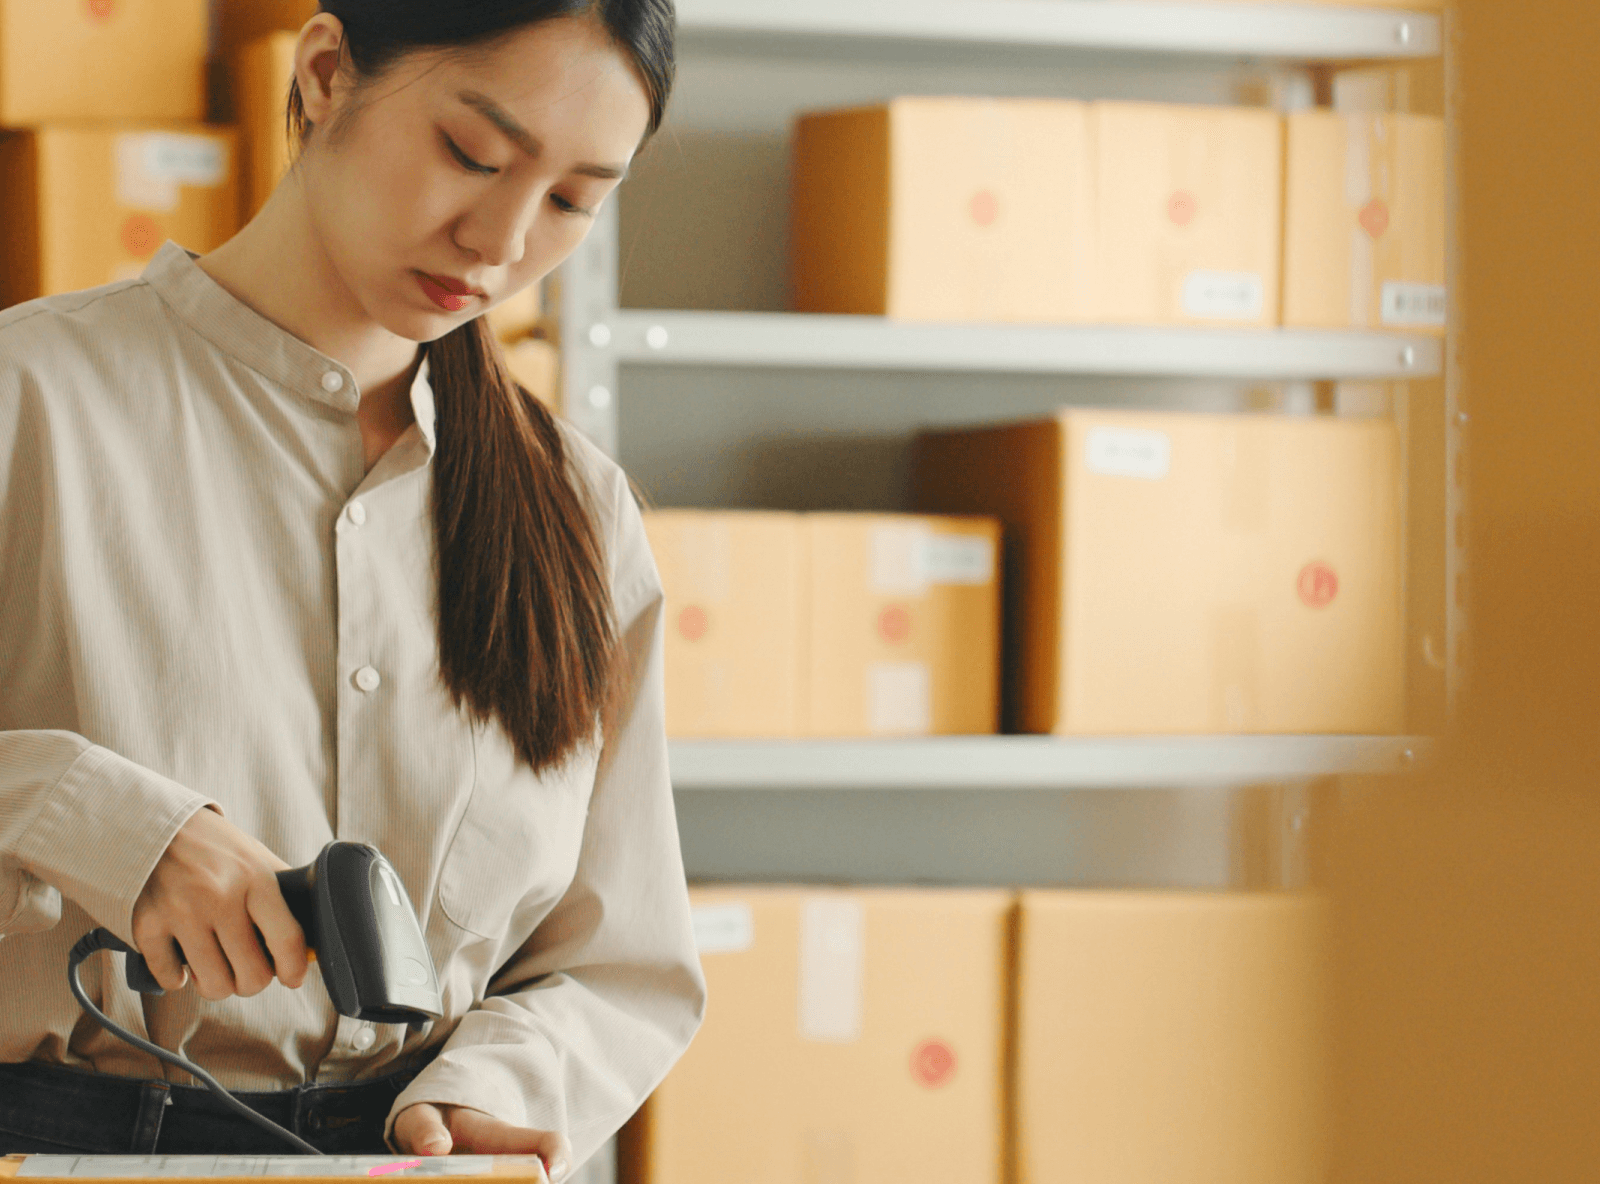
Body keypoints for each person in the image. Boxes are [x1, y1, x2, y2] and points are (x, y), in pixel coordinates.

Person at [0, 0, 702, 1172]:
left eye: (574, 199)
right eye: (472, 154)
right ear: (325, 74)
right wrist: (87, 814)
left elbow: (616, 957)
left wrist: (497, 1085)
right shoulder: (31, 405)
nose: (503, 239)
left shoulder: (580, 511)